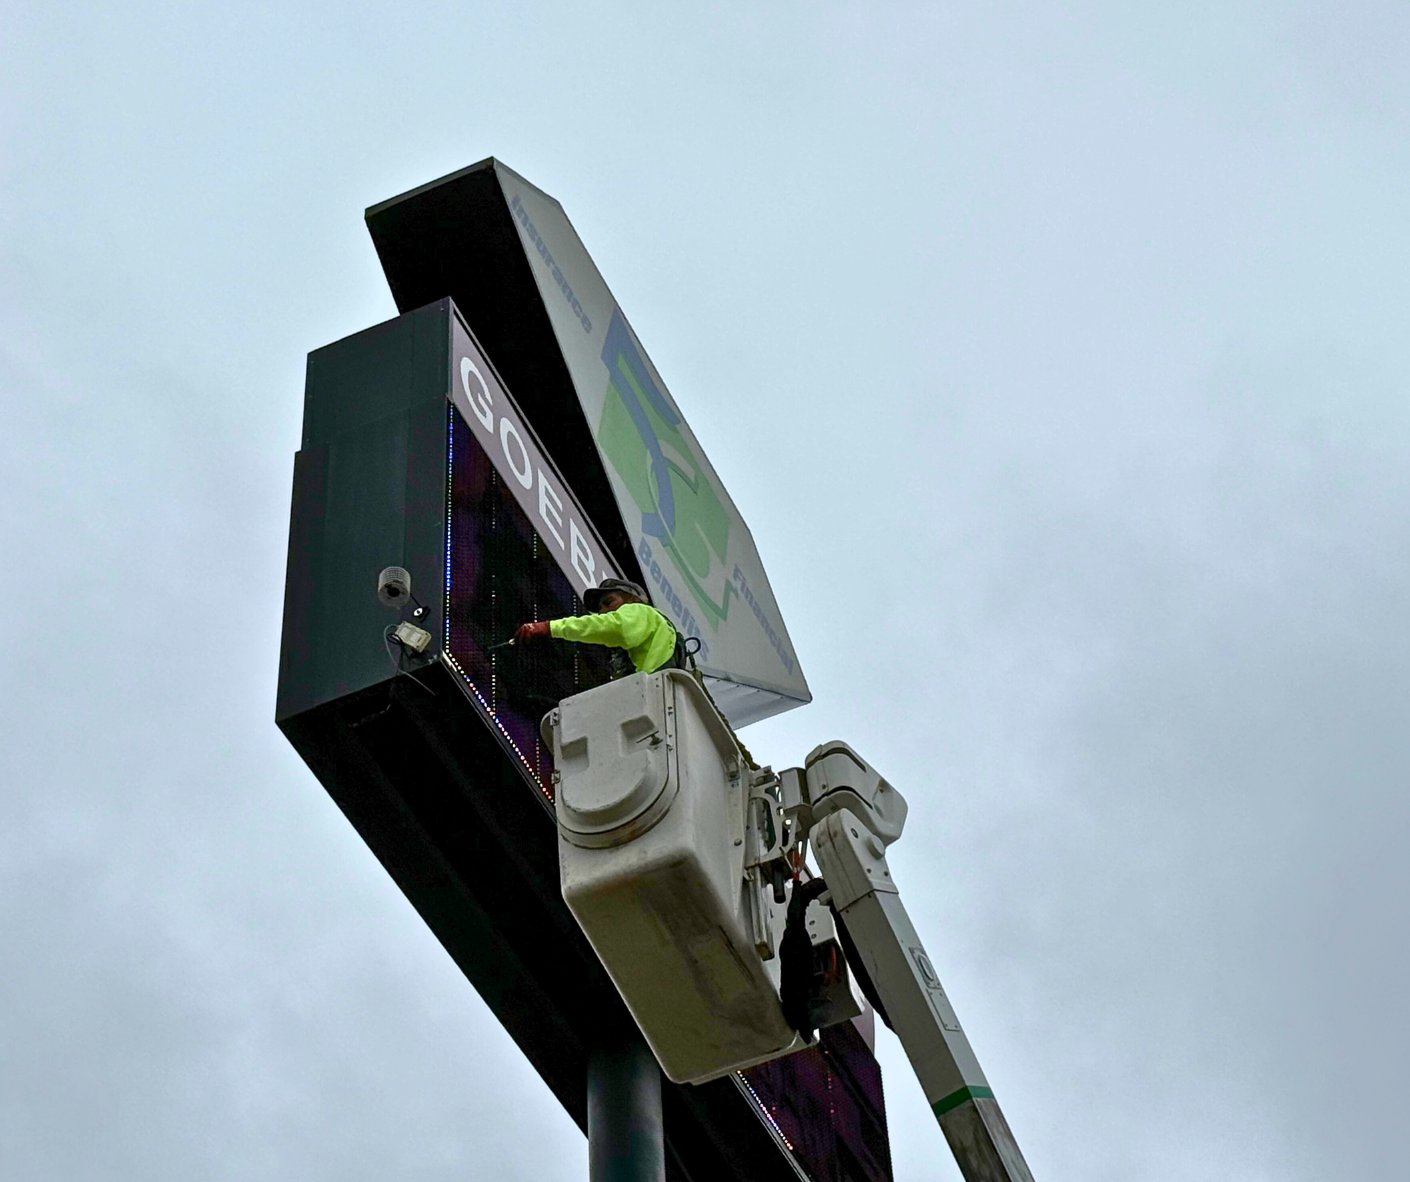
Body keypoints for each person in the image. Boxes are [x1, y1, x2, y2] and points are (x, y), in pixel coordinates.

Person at [515, 577, 688, 677]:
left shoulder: (640, 610)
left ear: (633, 598)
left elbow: (616, 628)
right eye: (600, 609)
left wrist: (549, 627)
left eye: (609, 602)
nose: (603, 612)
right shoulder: (658, 629)